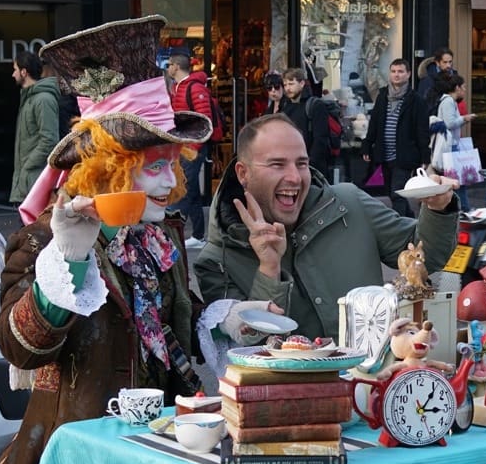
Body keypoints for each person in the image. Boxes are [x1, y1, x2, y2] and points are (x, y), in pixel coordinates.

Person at [0, 16, 257, 464]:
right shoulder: (40, 246)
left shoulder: (162, 241)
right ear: (106, 172)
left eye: (171, 163)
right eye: (151, 166)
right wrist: (69, 260)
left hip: (166, 447)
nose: (170, 182)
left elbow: (170, 331)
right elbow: (20, 346)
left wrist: (223, 321)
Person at [195, 114, 460, 342]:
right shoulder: (217, 261)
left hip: (371, 387)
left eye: (301, 163)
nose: (294, 177)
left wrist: (438, 208)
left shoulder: (349, 203)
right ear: (243, 174)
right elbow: (249, 344)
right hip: (291, 399)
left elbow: (427, 258)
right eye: (277, 164)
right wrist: (269, 270)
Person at [361, 58, 430, 217]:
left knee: (397, 192)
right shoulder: (382, 96)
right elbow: (375, 123)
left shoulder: (416, 100)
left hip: (405, 154)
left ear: (408, 74)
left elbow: (422, 130)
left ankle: (401, 227)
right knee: (392, 192)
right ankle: (410, 219)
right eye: (393, 71)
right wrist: (367, 144)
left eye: (400, 71)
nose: (396, 75)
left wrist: (425, 155)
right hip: (384, 153)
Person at [167, 49, 211, 247]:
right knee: (189, 189)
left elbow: (205, 119)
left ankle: (176, 233)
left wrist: (193, 147)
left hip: (192, 147)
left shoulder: (193, 88)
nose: (167, 68)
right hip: (184, 146)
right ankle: (198, 235)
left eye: (169, 64)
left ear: (176, 66)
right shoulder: (177, 87)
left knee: (183, 189)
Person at [9, 50, 61, 205]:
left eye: (15, 69)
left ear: (24, 72)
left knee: (34, 228)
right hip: (28, 181)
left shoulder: (43, 100)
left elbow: (50, 140)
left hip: (34, 180)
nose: (13, 74)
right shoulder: (29, 98)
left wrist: (27, 166)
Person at [432, 71, 476, 210]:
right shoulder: (449, 101)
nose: (464, 90)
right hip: (450, 147)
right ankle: (463, 209)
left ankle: (460, 208)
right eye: (463, 87)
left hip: (452, 146)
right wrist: (465, 118)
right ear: (457, 88)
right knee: (457, 182)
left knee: (457, 182)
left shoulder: (448, 101)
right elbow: (450, 123)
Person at [281, 66, 331, 175]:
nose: (287, 88)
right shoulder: (285, 105)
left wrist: (310, 164)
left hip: (311, 167)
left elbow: (320, 139)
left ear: (302, 83)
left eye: (291, 84)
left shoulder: (315, 105)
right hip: (291, 165)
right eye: (285, 85)